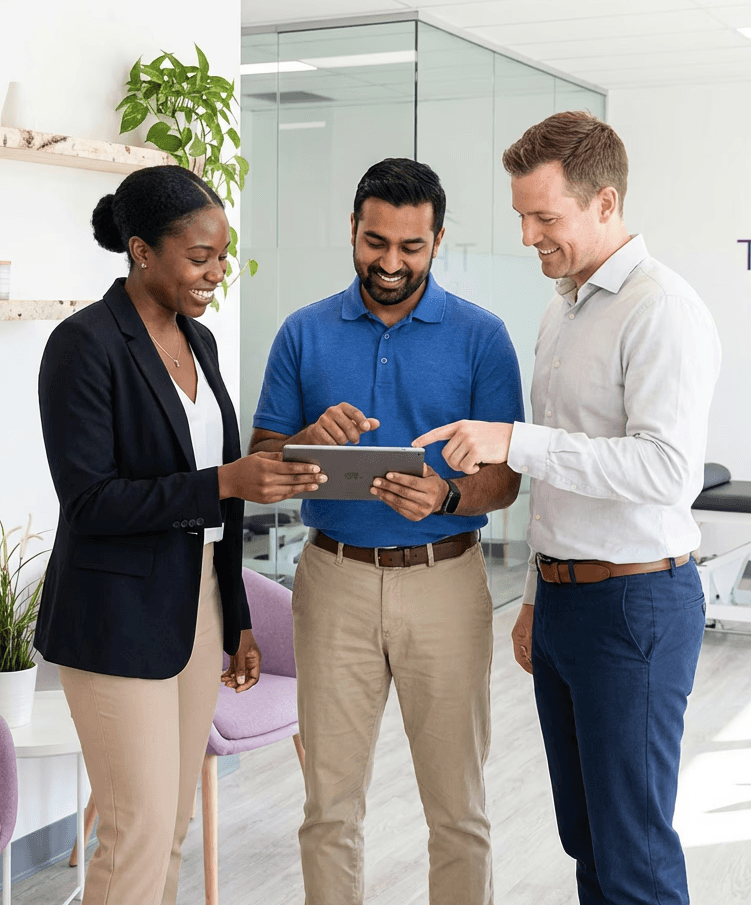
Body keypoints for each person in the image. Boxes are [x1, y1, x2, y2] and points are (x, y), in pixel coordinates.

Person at [415, 111, 721, 905]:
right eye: (521, 214)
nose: (526, 235)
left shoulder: (660, 309)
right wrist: (537, 596)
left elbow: (664, 469)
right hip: (566, 601)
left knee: (632, 851)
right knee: (585, 836)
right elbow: (565, 475)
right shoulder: (565, 307)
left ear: (604, 203)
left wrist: (514, 441)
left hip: (634, 605)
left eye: (543, 216)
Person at [34, 165, 327, 905]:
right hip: (114, 613)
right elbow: (91, 500)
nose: (216, 272)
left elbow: (215, 494)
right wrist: (227, 481)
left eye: (222, 255)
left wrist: (236, 619)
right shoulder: (83, 345)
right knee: (134, 830)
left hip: (195, 602)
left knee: (170, 825)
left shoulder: (200, 342)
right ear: (141, 250)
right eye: (200, 257)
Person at [250, 158, 524, 905]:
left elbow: (507, 479)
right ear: (352, 230)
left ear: (437, 240)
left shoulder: (481, 338)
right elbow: (261, 461)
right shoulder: (303, 332)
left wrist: (446, 493)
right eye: (375, 243)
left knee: (457, 809)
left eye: (410, 247)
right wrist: (306, 437)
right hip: (332, 580)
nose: (390, 263)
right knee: (329, 808)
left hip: (446, 579)